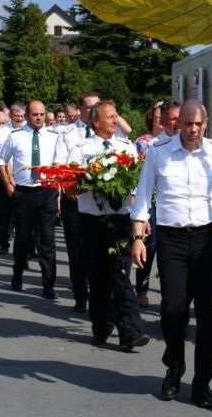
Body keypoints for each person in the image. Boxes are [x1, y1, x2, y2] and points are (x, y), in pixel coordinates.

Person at [131, 99, 212, 409]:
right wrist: (138, 238)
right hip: (172, 239)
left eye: (198, 124)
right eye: (187, 123)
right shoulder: (158, 153)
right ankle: (174, 365)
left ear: (206, 124)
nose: (193, 129)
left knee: (207, 314)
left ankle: (202, 383)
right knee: (172, 308)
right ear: (177, 123)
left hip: (205, 239)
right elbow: (143, 198)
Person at [68, 100, 150, 351]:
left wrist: (142, 219)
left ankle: (130, 332)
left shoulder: (126, 148)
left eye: (116, 116)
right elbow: (71, 188)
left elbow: (137, 188)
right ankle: (101, 325)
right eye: (110, 117)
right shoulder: (81, 149)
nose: (115, 120)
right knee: (98, 277)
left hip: (121, 220)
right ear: (96, 122)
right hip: (92, 222)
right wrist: (92, 181)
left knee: (120, 274)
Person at [0, 101, 60, 298]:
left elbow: (59, 164)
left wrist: (58, 189)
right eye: (35, 114)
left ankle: (48, 285)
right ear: (26, 116)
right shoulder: (15, 136)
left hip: (47, 192)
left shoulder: (54, 136)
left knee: (47, 241)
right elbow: (0, 160)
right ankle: (17, 274)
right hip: (24, 193)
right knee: (23, 238)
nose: (39, 118)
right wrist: (8, 184)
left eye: (42, 114)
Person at [132, 101, 166, 308]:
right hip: (149, 201)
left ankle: (168, 289)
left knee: (167, 249)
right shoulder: (143, 143)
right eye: (158, 118)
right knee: (149, 246)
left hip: (167, 202)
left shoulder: (175, 141)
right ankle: (142, 289)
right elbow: (136, 175)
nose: (161, 122)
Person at [0, 103, 26, 254]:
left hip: (22, 176)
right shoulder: (1, 132)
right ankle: (3, 243)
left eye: (22, 116)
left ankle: (27, 248)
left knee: (21, 212)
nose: (19, 119)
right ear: (11, 116)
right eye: (17, 116)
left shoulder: (27, 131)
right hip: (2, 175)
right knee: (2, 212)